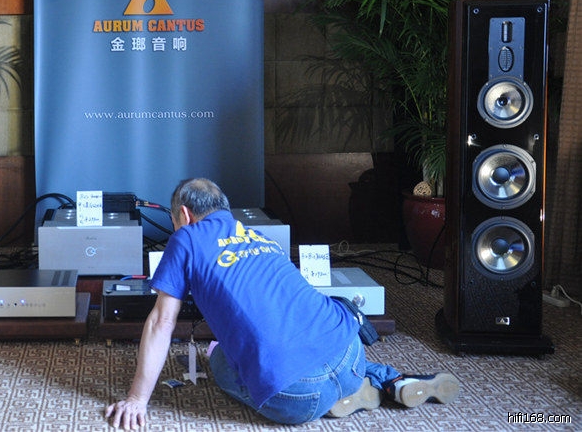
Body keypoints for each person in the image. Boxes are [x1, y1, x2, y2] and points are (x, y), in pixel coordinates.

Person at [105, 177, 459, 429]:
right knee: (303, 334)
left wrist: (137, 399)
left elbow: (161, 322)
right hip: (351, 355)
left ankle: (331, 397)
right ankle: (380, 379)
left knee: (221, 357)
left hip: (298, 398)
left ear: (183, 215)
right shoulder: (259, 236)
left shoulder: (186, 238)